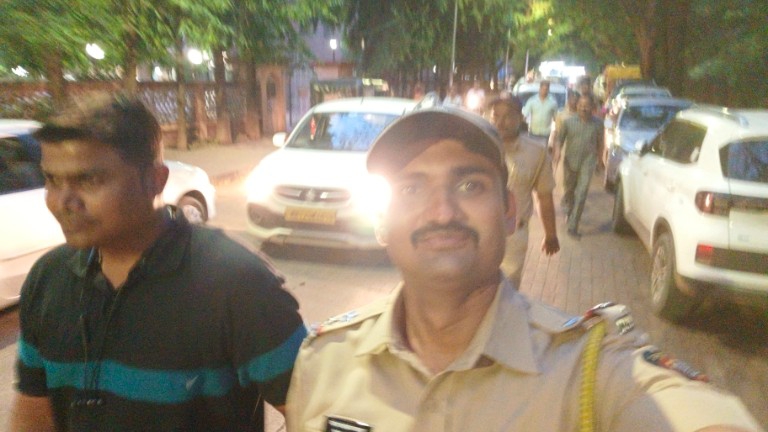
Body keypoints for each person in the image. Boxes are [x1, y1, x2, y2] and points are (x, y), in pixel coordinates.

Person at [285, 106, 762, 432]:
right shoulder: (324, 361)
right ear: (381, 223)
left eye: (470, 185)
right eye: (411, 189)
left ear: (509, 212)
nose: (442, 211)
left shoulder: (587, 369)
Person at [9, 93, 308, 431]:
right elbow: (34, 413)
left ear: (155, 180)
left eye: (89, 180)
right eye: (52, 180)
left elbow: (314, 410)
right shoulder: (48, 278)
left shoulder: (238, 282)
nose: (63, 201)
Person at [489, 96, 559, 286]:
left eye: (508, 116)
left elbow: (544, 196)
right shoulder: (476, 147)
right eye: (495, 116)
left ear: (520, 118)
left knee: (507, 293)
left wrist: (550, 234)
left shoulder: (536, 152)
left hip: (512, 239)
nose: (500, 122)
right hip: (477, 236)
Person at [555, 94, 604, 239]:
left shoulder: (598, 124)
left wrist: (600, 161)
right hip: (570, 162)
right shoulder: (568, 122)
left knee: (581, 193)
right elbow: (559, 139)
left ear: (592, 107)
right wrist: (557, 152)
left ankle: (573, 226)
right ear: (577, 106)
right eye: (581, 105)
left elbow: (600, 143)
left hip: (587, 163)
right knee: (569, 191)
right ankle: (569, 210)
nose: (584, 108)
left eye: (587, 106)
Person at [549, 89, 579, 159]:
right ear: (568, 101)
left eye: (576, 100)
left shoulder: (582, 117)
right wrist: (555, 148)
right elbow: (557, 132)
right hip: (564, 147)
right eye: (572, 99)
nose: (574, 102)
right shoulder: (561, 115)